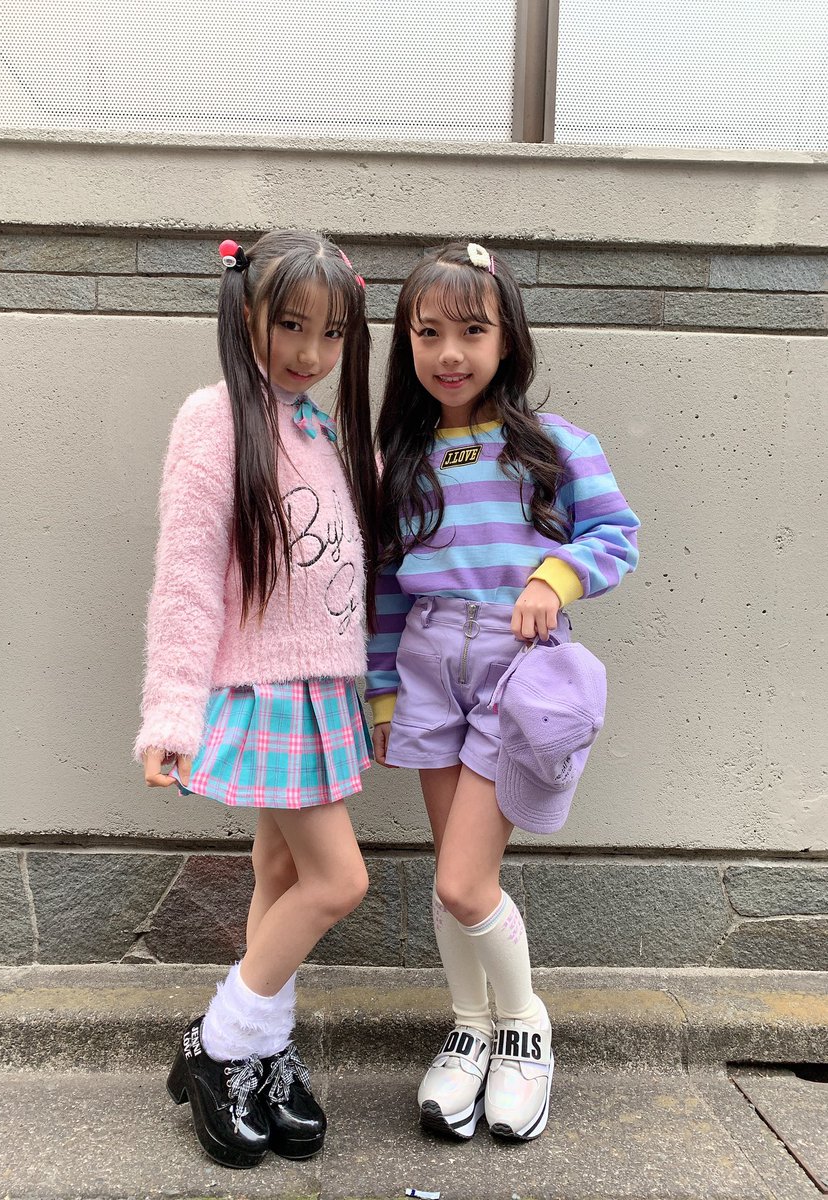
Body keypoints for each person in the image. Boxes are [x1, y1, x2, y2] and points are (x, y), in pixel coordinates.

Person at [366, 242, 639, 1143]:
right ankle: (470, 1028)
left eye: (472, 332)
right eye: (429, 334)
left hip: (515, 667)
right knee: (455, 877)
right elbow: (386, 588)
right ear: (407, 343)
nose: (450, 353)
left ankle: (523, 1028)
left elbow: (615, 535)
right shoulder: (401, 459)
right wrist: (381, 694)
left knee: (462, 879)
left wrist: (552, 579)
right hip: (427, 662)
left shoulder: (555, 445)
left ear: (507, 338)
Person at [133, 230, 378, 1170]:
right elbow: (188, 577)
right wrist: (171, 712)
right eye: (291, 325)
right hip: (269, 689)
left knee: (279, 875)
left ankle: (263, 1049)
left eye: (331, 333)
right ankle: (219, 1044)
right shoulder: (215, 419)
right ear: (245, 316)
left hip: (322, 688)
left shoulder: (316, 426)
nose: (311, 352)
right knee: (338, 882)